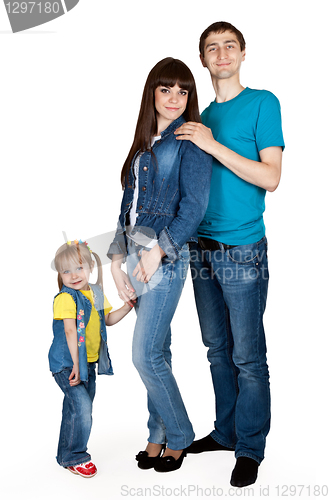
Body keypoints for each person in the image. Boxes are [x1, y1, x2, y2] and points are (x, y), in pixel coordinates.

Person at [175, 22, 285, 487]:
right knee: (217, 350)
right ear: (202, 59)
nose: (221, 54)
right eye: (212, 48)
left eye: (229, 46)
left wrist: (210, 144)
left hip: (242, 249)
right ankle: (225, 432)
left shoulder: (262, 103)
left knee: (248, 357)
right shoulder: (195, 116)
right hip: (200, 247)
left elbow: (271, 177)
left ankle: (250, 448)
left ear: (242, 54)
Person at [108, 57, 212, 473]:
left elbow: (194, 207)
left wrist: (158, 250)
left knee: (144, 353)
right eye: (166, 89)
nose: (174, 99)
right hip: (134, 254)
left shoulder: (191, 141)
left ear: (190, 97)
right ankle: (157, 433)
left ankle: (180, 435)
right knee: (160, 350)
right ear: (152, 92)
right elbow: (127, 207)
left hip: (164, 257)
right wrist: (117, 262)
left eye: (182, 91)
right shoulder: (143, 142)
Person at [49, 240, 132, 478]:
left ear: (90, 267)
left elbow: (108, 320)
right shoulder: (65, 298)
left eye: (79, 268)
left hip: (89, 363)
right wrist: (76, 364)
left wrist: (126, 307)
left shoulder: (96, 293)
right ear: (59, 274)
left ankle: (65, 455)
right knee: (82, 407)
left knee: (75, 409)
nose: (74, 275)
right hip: (68, 364)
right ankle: (77, 456)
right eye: (66, 271)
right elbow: (70, 331)